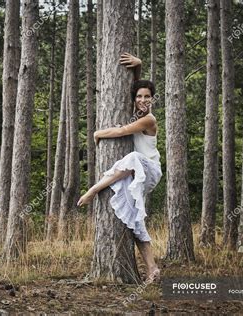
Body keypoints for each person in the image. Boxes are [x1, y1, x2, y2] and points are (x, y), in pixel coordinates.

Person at [77, 53, 162, 284]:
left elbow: (121, 132)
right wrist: (138, 68)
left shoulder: (149, 119)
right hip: (135, 173)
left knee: (133, 156)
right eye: (140, 97)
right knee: (133, 217)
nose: (143, 100)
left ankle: (94, 190)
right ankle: (152, 269)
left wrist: (97, 133)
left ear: (153, 99)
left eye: (148, 97)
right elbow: (133, 88)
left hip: (149, 169)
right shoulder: (136, 110)